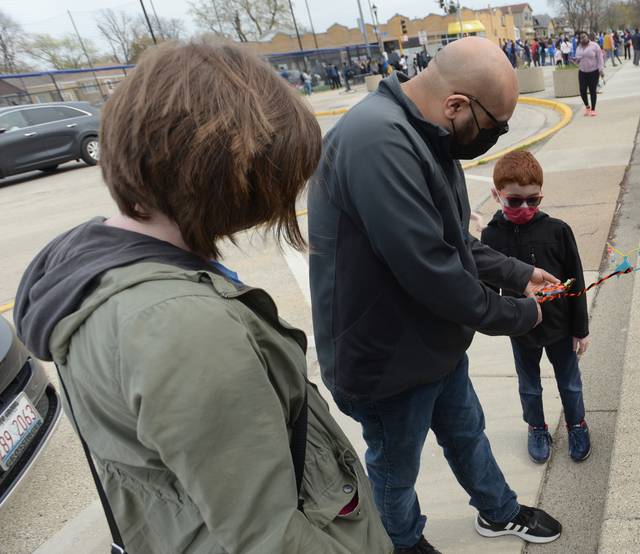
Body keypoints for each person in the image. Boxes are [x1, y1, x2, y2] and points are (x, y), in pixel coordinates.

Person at [13, 42, 393, 554]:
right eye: (276, 181)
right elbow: (268, 538)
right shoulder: (180, 325)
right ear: (227, 180)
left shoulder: (92, 265)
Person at [308, 36, 562, 554]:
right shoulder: (377, 141)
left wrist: (518, 274)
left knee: (468, 433)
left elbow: (455, 244)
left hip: (433, 344)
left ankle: (498, 511)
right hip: (386, 360)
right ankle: (401, 542)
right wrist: (520, 315)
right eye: (494, 128)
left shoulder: (427, 135)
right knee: (395, 468)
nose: (494, 140)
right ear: (456, 105)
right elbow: (433, 271)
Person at [481, 150, 591, 465]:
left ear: (541, 195)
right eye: (514, 201)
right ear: (496, 194)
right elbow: (487, 290)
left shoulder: (557, 231)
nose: (525, 208)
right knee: (529, 385)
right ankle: (536, 426)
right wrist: (503, 317)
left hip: (560, 326)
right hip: (521, 328)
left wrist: (580, 328)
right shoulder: (491, 237)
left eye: (533, 200)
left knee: (569, 382)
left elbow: (576, 281)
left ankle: (577, 424)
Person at [574, 31, 604, 116]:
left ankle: (593, 109)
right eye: (580, 38)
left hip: (593, 72)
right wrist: (575, 61)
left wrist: (601, 69)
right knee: (582, 90)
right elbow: (578, 59)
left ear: (587, 37)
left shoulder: (594, 46)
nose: (582, 38)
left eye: (584, 36)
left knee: (592, 91)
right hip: (582, 71)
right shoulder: (578, 48)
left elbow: (600, 58)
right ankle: (587, 107)